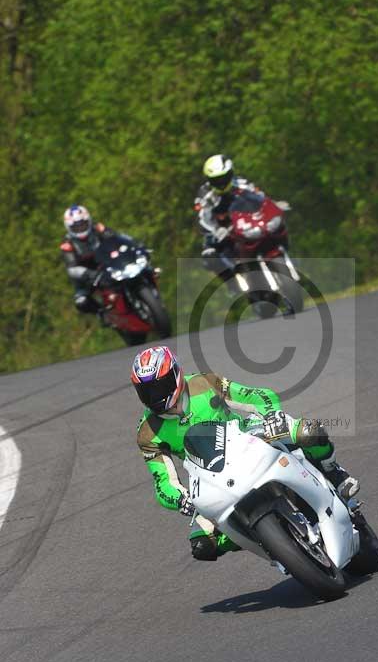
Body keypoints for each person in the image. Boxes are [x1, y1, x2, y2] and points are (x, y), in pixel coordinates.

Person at [132, 345, 359, 561]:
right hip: (209, 473)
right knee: (202, 545)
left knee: (308, 432)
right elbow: (163, 482)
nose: (155, 396)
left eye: (159, 387)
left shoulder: (204, 382)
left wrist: (271, 416)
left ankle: (333, 471)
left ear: (175, 374)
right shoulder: (147, 432)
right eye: (146, 391)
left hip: (246, 437)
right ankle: (275, 546)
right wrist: (182, 499)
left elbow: (255, 396)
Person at [194, 154, 263, 276]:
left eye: (223, 178)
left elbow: (260, 197)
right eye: (216, 180)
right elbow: (203, 218)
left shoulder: (242, 183)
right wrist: (217, 230)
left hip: (247, 224)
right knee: (209, 256)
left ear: (230, 173)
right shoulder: (204, 195)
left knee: (273, 231)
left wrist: (271, 206)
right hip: (220, 231)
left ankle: (286, 263)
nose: (220, 183)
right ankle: (233, 285)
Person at [60, 205, 117, 315]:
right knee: (81, 302)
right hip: (88, 278)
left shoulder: (98, 228)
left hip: (109, 265)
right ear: (68, 227)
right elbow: (72, 269)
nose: (81, 228)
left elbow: (117, 238)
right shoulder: (67, 245)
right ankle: (103, 313)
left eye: (83, 225)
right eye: (76, 227)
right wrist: (90, 274)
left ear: (89, 221)